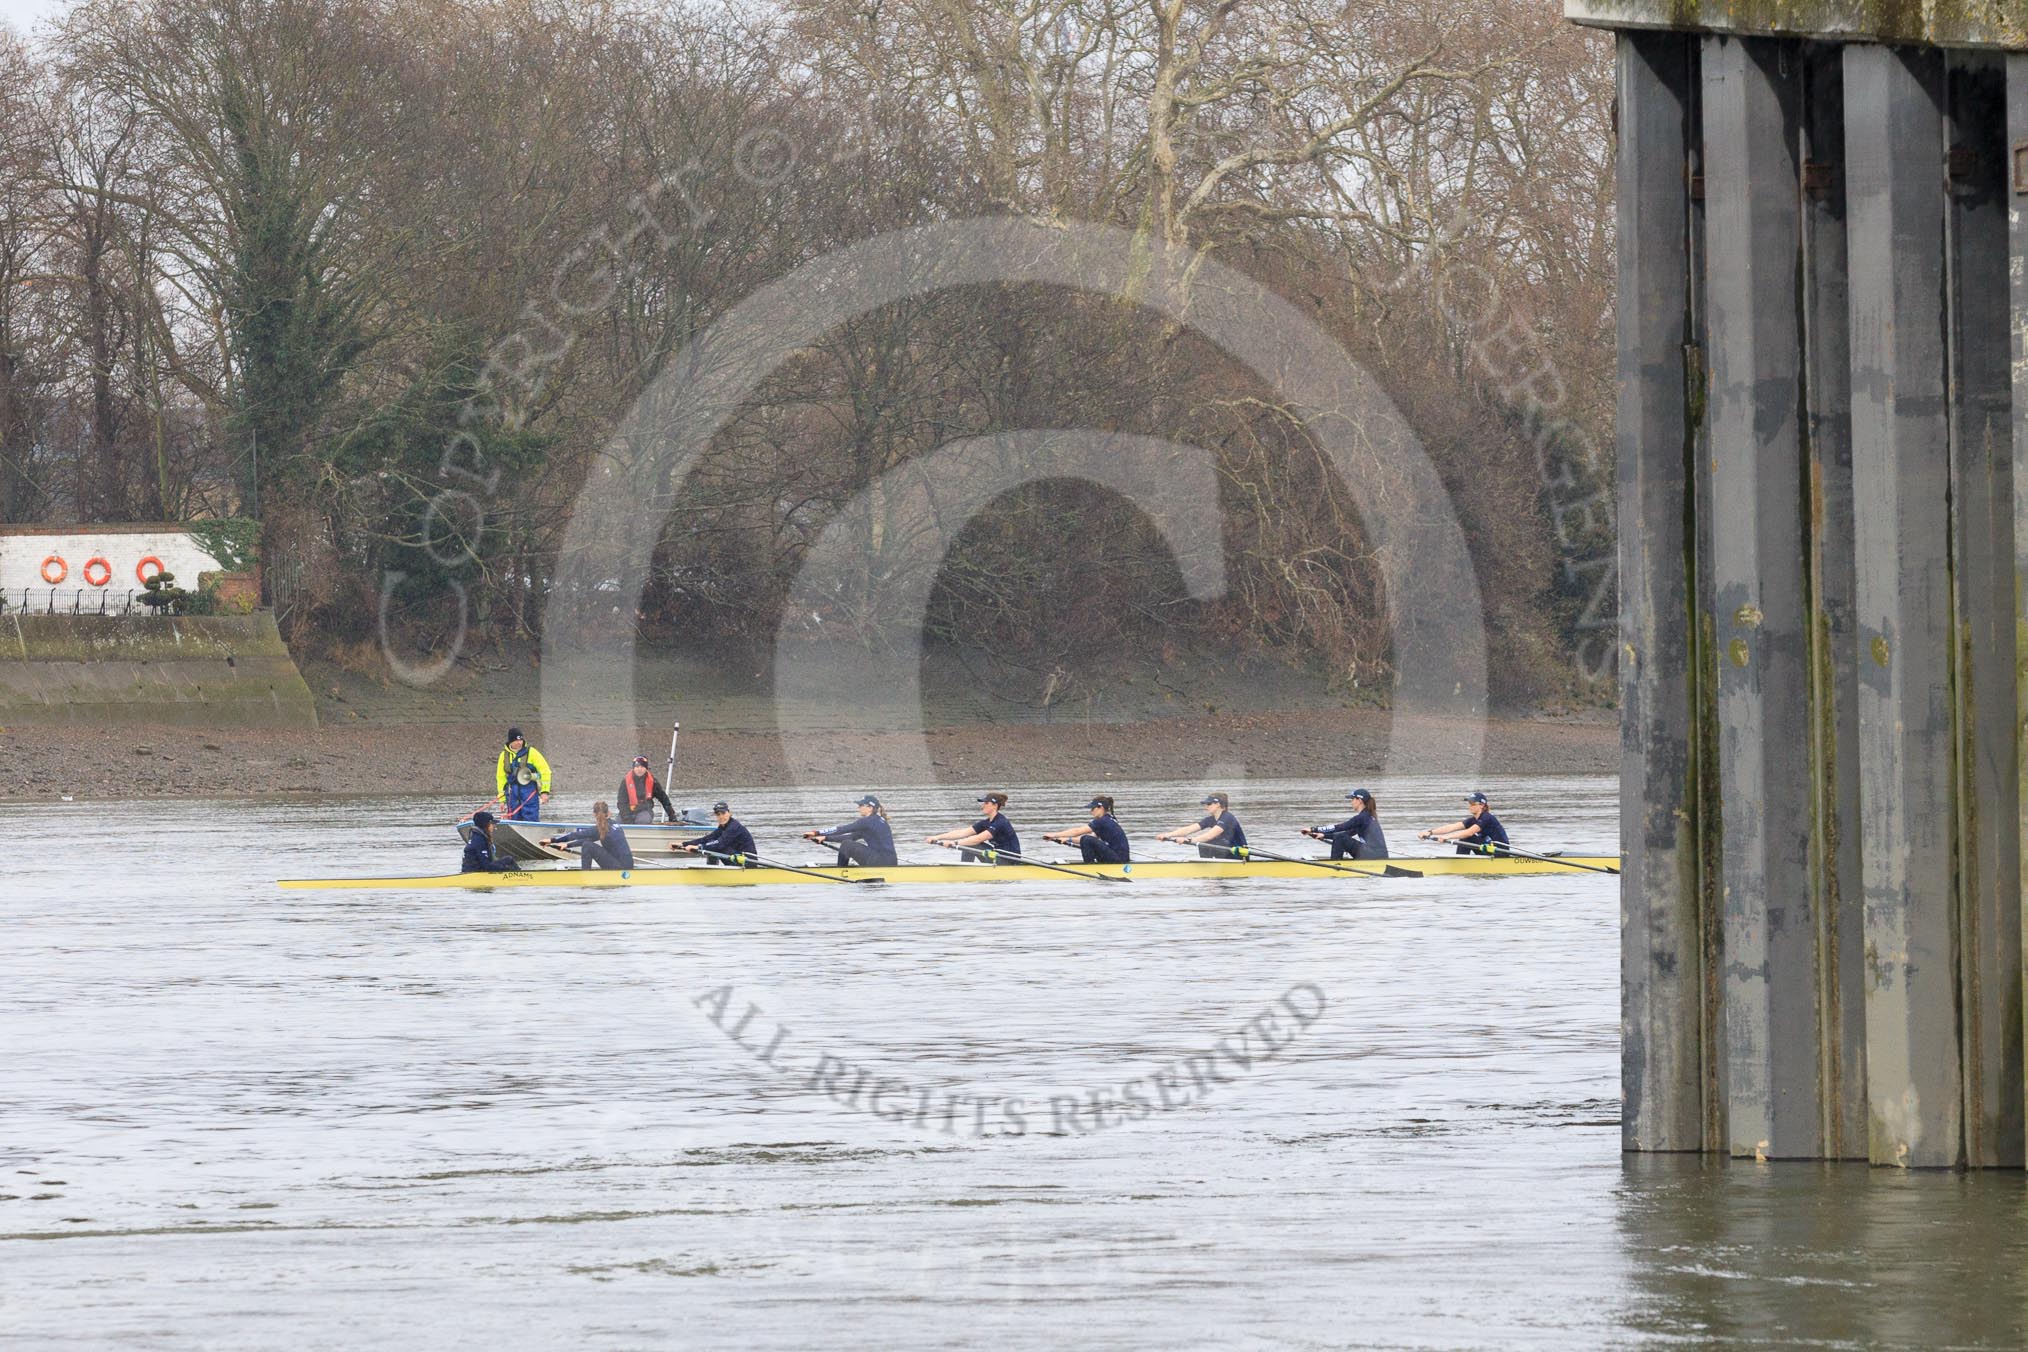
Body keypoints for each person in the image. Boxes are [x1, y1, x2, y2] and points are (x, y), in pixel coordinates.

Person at [805, 795, 899, 868]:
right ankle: (843, 869)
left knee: (847, 845)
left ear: (870, 807)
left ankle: (841, 871)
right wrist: (825, 838)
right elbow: (851, 837)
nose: (858, 808)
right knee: (847, 843)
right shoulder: (878, 820)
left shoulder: (867, 821)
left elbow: (843, 829)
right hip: (889, 861)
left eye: (861, 805)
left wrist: (817, 833)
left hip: (881, 861)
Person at [929, 791, 1021, 863]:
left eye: (986, 803)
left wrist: (954, 843)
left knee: (971, 843)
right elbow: (962, 833)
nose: (983, 806)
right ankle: (965, 869)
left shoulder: (1000, 822)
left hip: (1010, 860)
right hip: (997, 856)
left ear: (995, 806)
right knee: (968, 841)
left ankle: (965, 872)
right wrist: (937, 837)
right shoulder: (985, 823)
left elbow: (978, 839)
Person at [1303, 788, 1389, 861]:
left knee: (1340, 837)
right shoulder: (1367, 817)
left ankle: (1335, 865)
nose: (1351, 802)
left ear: (1359, 801)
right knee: (1341, 836)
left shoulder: (1362, 817)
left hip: (1375, 856)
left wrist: (1313, 829)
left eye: (1352, 799)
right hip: (1375, 854)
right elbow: (1346, 833)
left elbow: (1340, 827)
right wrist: (1323, 835)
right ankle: (1336, 863)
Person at [545, 801, 634, 870]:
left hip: (619, 867)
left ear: (594, 814)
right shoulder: (615, 824)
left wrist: (552, 840)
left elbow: (576, 835)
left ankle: (586, 875)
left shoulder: (599, 828)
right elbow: (588, 839)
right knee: (587, 843)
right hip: (629, 865)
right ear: (608, 812)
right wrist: (568, 845)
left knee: (587, 846)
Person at [1044, 795, 1131, 864]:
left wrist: (1054, 834)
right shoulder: (1109, 818)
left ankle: (1089, 866)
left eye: (1092, 808)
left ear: (1100, 808)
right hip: (1119, 856)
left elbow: (1077, 831)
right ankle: (1091, 865)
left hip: (1119, 859)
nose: (1091, 811)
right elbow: (1091, 838)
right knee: (1087, 839)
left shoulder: (1102, 821)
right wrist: (1066, 839)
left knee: (1086, 838)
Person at [1159, 792, 1248, 858]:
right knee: (1206, 844)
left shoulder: (1228, 817)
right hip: (1226, 855)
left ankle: (1211, 873)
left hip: (1239, 855)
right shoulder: (1210, 819)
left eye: (1209, 804)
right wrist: (1167, 835)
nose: (1206, 807)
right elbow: (1188, 829)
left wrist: (1188, 840)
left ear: (1218, 804)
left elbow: (1210, 835)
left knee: (1206, 842)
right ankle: (1209, 873)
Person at [1420, 790, 1510, 855]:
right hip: (1488, 849)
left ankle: (1460, 862)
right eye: (1469, 804)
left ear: (1482, 805)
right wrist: (1430, 832)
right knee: (1466, 838)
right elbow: (1452, 827)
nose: (1469, 806)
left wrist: (1447, 837)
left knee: (1467, 837)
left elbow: (1469, 832)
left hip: (1500, 852)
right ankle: (1461, 861)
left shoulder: (1487, 817)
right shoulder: (1472, 820)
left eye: (1472, 804)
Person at [495, 728, 552, 824]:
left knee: (530, 816)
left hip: (529, 791)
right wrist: (502, 800)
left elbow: (545, 771)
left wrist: (544, 792)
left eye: (520, 740)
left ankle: (533, 834)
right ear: (510, 741)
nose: (519, 742)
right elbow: (500, 778)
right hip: (512, 792)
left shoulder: (532, 752)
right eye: (516, 740)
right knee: (513, 817)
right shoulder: (503, 756)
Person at [678, 801, 757, 865]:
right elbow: (707, 839)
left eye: (723, 813)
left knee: (716, 847)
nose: (721, 817)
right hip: (737, 859)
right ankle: (711, 871)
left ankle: (712, 872)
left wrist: (699, 847)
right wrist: (684, 844)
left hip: (748, 862)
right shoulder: (723, 827)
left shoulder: (734, 827)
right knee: (711, 844)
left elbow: (719, 844)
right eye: (718, 814)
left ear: (729, 813)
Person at [616, 756, 676, 825]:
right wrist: (627, 819)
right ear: (633, 768)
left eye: (642, 767)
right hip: (626, 812)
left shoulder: (653, 782)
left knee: (642, 820)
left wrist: (671, 815)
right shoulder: (625, 782)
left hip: (644, 811)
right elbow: (621, 802)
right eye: (637, 767)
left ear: (646, 768)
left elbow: (664, 799)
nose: (639, 769)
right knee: (618, 822)